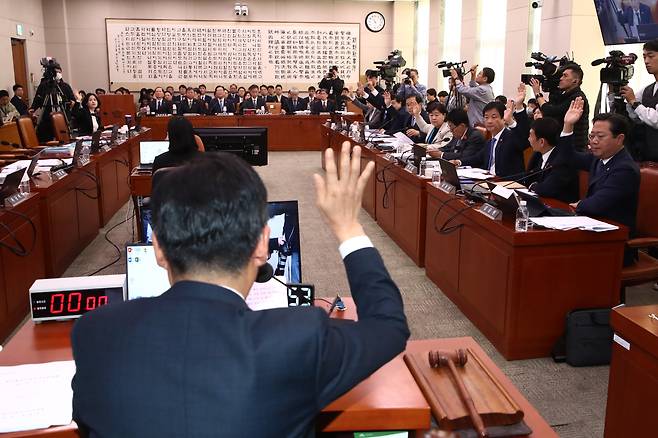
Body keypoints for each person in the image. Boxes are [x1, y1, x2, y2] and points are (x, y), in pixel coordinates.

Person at [70, 141, 409, 437]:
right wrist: (348, 228)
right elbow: (388, 326)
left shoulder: (95, 332)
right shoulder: (298, 338)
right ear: (263, 244)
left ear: (157, 247)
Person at [564, 98, 640, 266]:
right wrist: (568, 126)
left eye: (600, 136)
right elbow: (568, 158)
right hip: (594, 231)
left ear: (619, 139)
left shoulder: (624, 169)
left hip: (614, 243)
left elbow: (597, 205)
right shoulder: (600, 158)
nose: (594, 141)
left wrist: (580, 204)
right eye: (592, 136)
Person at [455, 85, 530, 177]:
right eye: (486, 117)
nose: (489, 121)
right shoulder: (491, 141)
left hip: (506, 184)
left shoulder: (510, 136)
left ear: (503, 118)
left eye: (494, 117)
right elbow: (478, 158)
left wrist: (518, 107)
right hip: (489, 181)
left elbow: (523, 138)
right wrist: (458, 162)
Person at [521, 113, 579, 203]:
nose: (528, 139)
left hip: (561, 209)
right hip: (544, 202)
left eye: (530, 135)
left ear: (542, 142)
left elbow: (547, 189)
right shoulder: (539, 156)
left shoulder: (561, 160)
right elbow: (528, 178)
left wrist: (533, 186)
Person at [530, 64, 589, 151]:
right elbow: (547, 110)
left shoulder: (578, 98)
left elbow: (551, 112)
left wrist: (538, 94)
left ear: (575, 81)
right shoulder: (563, 95)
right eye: (561, 75)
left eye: (565, 76)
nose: (561, 78)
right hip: (562, 144)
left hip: (574, 147)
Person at [621, 38, 658, 161]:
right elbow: (634, 115)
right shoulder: (648, 89)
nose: (646, 61)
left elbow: (656, 120)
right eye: (644, 57)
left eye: (651, 56)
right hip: (648, 155)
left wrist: (634, 103)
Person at [30, 62, 75, 142]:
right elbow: (38, 99)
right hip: (47, 118)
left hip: (63, 118)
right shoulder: (44, 86)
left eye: (60, 72)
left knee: (64, 140)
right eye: (56, 72)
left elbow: (72, 99)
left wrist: (72, 102)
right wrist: (33, 108)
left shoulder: (65, 86)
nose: (58, 74)